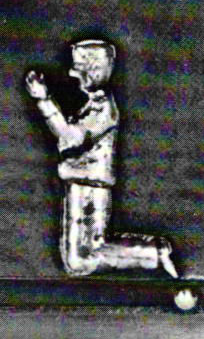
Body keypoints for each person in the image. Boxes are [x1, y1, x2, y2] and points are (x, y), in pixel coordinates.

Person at [25, 38, 178, 278]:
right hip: (82, 182)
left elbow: (72, 137)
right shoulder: (94, 105)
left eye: (79, 69)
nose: (73, 75)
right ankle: (153, 254)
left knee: (81, 259)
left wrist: (44, 101)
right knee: (79, 258)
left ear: (94, 71)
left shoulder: (103, 110)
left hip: (90, 185)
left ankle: (153, 253)